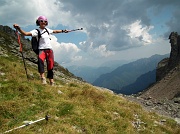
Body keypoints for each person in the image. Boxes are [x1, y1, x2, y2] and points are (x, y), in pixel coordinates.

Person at [13, 15, 69, 86]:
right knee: (40, 63)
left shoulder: (47, 30)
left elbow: (55, 31)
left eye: (45, 21)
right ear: (38, 22)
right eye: (41, 21)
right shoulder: (36, 31)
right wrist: (19, 28)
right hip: (41, 50)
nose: (43, 22)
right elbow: (25, 34)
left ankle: (51, 81)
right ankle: (43, 78)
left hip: (49, 50)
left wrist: (63, 31)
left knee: (50, 65)